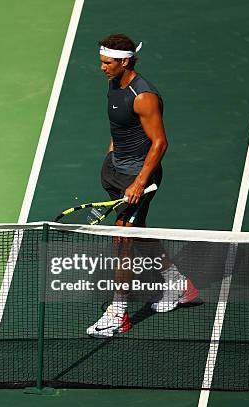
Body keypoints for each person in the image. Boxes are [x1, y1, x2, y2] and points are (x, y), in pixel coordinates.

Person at [86, 34, 198, 338]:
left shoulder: (143, 95)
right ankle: (178, 284)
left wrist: (138, 183)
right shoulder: (114, 83)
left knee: (122, 244)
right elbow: (119, 127)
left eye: (107, 63)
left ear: (124, 61)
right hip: (115, 171)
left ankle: (118, 312)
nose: (102, 68)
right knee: (139, 232)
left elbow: (160, 143)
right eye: (102, 62)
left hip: (138, 179)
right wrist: (111, 154)